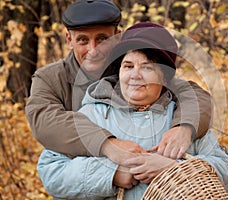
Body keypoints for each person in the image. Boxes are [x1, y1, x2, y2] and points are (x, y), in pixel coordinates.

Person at [37, 22, 228, 199]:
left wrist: (175, 170)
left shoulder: (181, 118)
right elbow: (51, 170)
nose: (135, 75)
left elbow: (224, 167)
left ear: (164, 78)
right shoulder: (92, 115)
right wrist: (111, 174)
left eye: (147, 68)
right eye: (128, 66)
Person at [25, 0, 212, 164]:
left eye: (102, 39)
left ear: (118, 36)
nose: (93, 50)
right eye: (83, 40)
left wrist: (184, 127)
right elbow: (44, 121)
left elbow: (194, 95)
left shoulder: (131, 70)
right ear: (69, 40)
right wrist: (108, 144)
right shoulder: (50, 78)